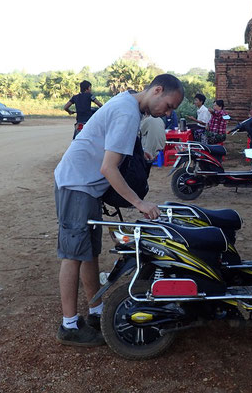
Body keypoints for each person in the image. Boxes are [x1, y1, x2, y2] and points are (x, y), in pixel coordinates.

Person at [53, 74, 184, 346]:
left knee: (88, 253)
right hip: (77, 183)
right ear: (157, 90)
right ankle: (69, 325)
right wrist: (140, 203)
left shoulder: (129, 105)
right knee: (72, 254)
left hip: (86, 186)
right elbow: (108, 168)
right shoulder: (127, 113)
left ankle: (95, 312)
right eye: (169, 105)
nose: (167, 113)